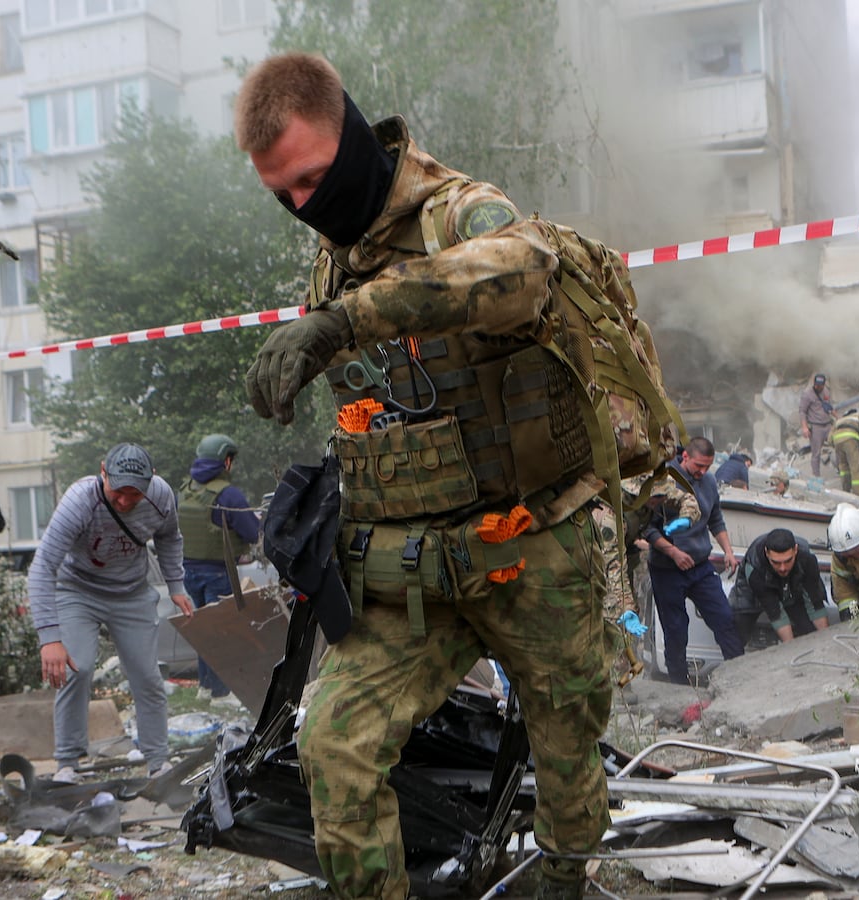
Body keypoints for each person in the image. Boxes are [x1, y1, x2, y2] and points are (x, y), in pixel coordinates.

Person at [235, 53, 619, 899]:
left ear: (352, 137)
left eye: (311, 180)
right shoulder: (333, 259)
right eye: (282, 195)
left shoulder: (460, 211)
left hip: (533, 550)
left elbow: (524, 267)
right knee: (332, 742)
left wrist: (346, 320)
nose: (302, 206)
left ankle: (563, 881)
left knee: (567, 749)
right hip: (414, 574)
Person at [31, 443, 194, 784]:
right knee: (77, 668)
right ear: (103, 471)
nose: (124, 501)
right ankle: (67, 763)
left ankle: (157, 761)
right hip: (77, 591)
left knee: (147, 675)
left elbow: (169, 537)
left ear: (150, 482)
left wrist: (176, 585)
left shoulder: (161, 495)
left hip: (131, 593)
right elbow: (43, 566)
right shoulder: (80, 501)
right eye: (118, 491)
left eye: (134, 494)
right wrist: (50, 637)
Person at [644, 437, 744, 684]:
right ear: (685, 457)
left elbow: (715, 519)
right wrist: (673, 552)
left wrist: (728, 551)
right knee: (676, 629)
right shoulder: (663, 481)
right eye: (698, 466)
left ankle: (741, 675)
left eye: (707, 467)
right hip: (667, 568)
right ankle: (679, 684)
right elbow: (647, 528)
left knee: (724, 618)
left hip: (700, 566)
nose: (702, 472)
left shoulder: (708, 482)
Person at [178, 433, 262, 702]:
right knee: (222, 632)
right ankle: (221, 692)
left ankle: (205, 687)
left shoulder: (186, 489)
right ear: (225, 461)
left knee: (205, 631)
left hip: (188, 572)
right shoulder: (229, 494)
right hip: (217, 571)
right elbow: (251, 532)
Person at [731, 529, 831, 643]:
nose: (783, 568)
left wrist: (826, 643)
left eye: (788, 561)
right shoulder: (755, 569)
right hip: (752, 591)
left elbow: (815, 604)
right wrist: (789, 650)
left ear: (796, 550)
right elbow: (776, 613)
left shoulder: (807, 559)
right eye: (776, 562)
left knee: (809, 629)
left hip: (791, 587)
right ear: (767, 553)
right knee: (737, 628)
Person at [829, 408, 859, 497]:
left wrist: (835, 445)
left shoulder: (840, 420)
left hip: (837, 441)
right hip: (850, 439)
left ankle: (846, 491)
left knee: (843, 467)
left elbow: (830, 438)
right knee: (855, 467)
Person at [800, 373, 835, 478]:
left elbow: (829, 406)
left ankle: (839, 467)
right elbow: (802, 411)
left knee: (836, 446)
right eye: (816, 385)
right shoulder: (807, 394)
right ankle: (816, 475)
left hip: (827, 424)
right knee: (816, 453)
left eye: (820, 385)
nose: (818, 387)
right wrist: (805, 427)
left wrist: (838, 418)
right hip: (816, 427)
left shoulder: (826, 391)